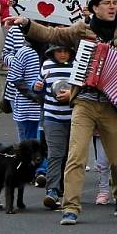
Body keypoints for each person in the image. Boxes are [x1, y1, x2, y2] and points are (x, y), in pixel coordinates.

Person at [3, 0, 117, 226]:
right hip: (84, 101)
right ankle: (71, 207)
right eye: (106, 3)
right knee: (76, 156)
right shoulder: (81, 31)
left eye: (114, 3)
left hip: (112, 104)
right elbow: (52, 35)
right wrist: (25, 23)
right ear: (94, 8)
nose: (111, 7)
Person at [34, 44, 74, 210]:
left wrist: (72, 94)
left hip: (74, 117)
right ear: (52, 52)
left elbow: (84, 88)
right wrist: (36, 87)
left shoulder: (76, 65)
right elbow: (38, 85)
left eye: (65, 51)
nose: (63, 54)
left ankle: (68, 190)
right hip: (52, 117)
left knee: (71, 156)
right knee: (55, 154)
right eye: (59, 51)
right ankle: (52, 191)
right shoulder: (46, 66)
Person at [7, 39, 43, 141]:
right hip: (28, 108)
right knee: (29, 147)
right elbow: (15, 77)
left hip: (49, 109)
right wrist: (33, 95)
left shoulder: (53, 52)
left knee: (45, 147)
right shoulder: (24, 52)